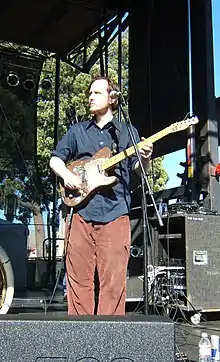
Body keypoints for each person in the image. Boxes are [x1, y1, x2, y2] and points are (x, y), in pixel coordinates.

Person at [49, 76, 153, 315]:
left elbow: (139, 170)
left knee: (114, 283)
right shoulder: (77, 132)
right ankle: (80, 340)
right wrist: (67, 175)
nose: (91, 97)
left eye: (97, 93)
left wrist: (146, 157)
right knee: (79, 282)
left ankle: (108, 340)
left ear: (112, 98)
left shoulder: (127, 132)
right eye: (90, 93)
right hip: (81, 214)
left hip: (116, 212)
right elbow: (55, 159)